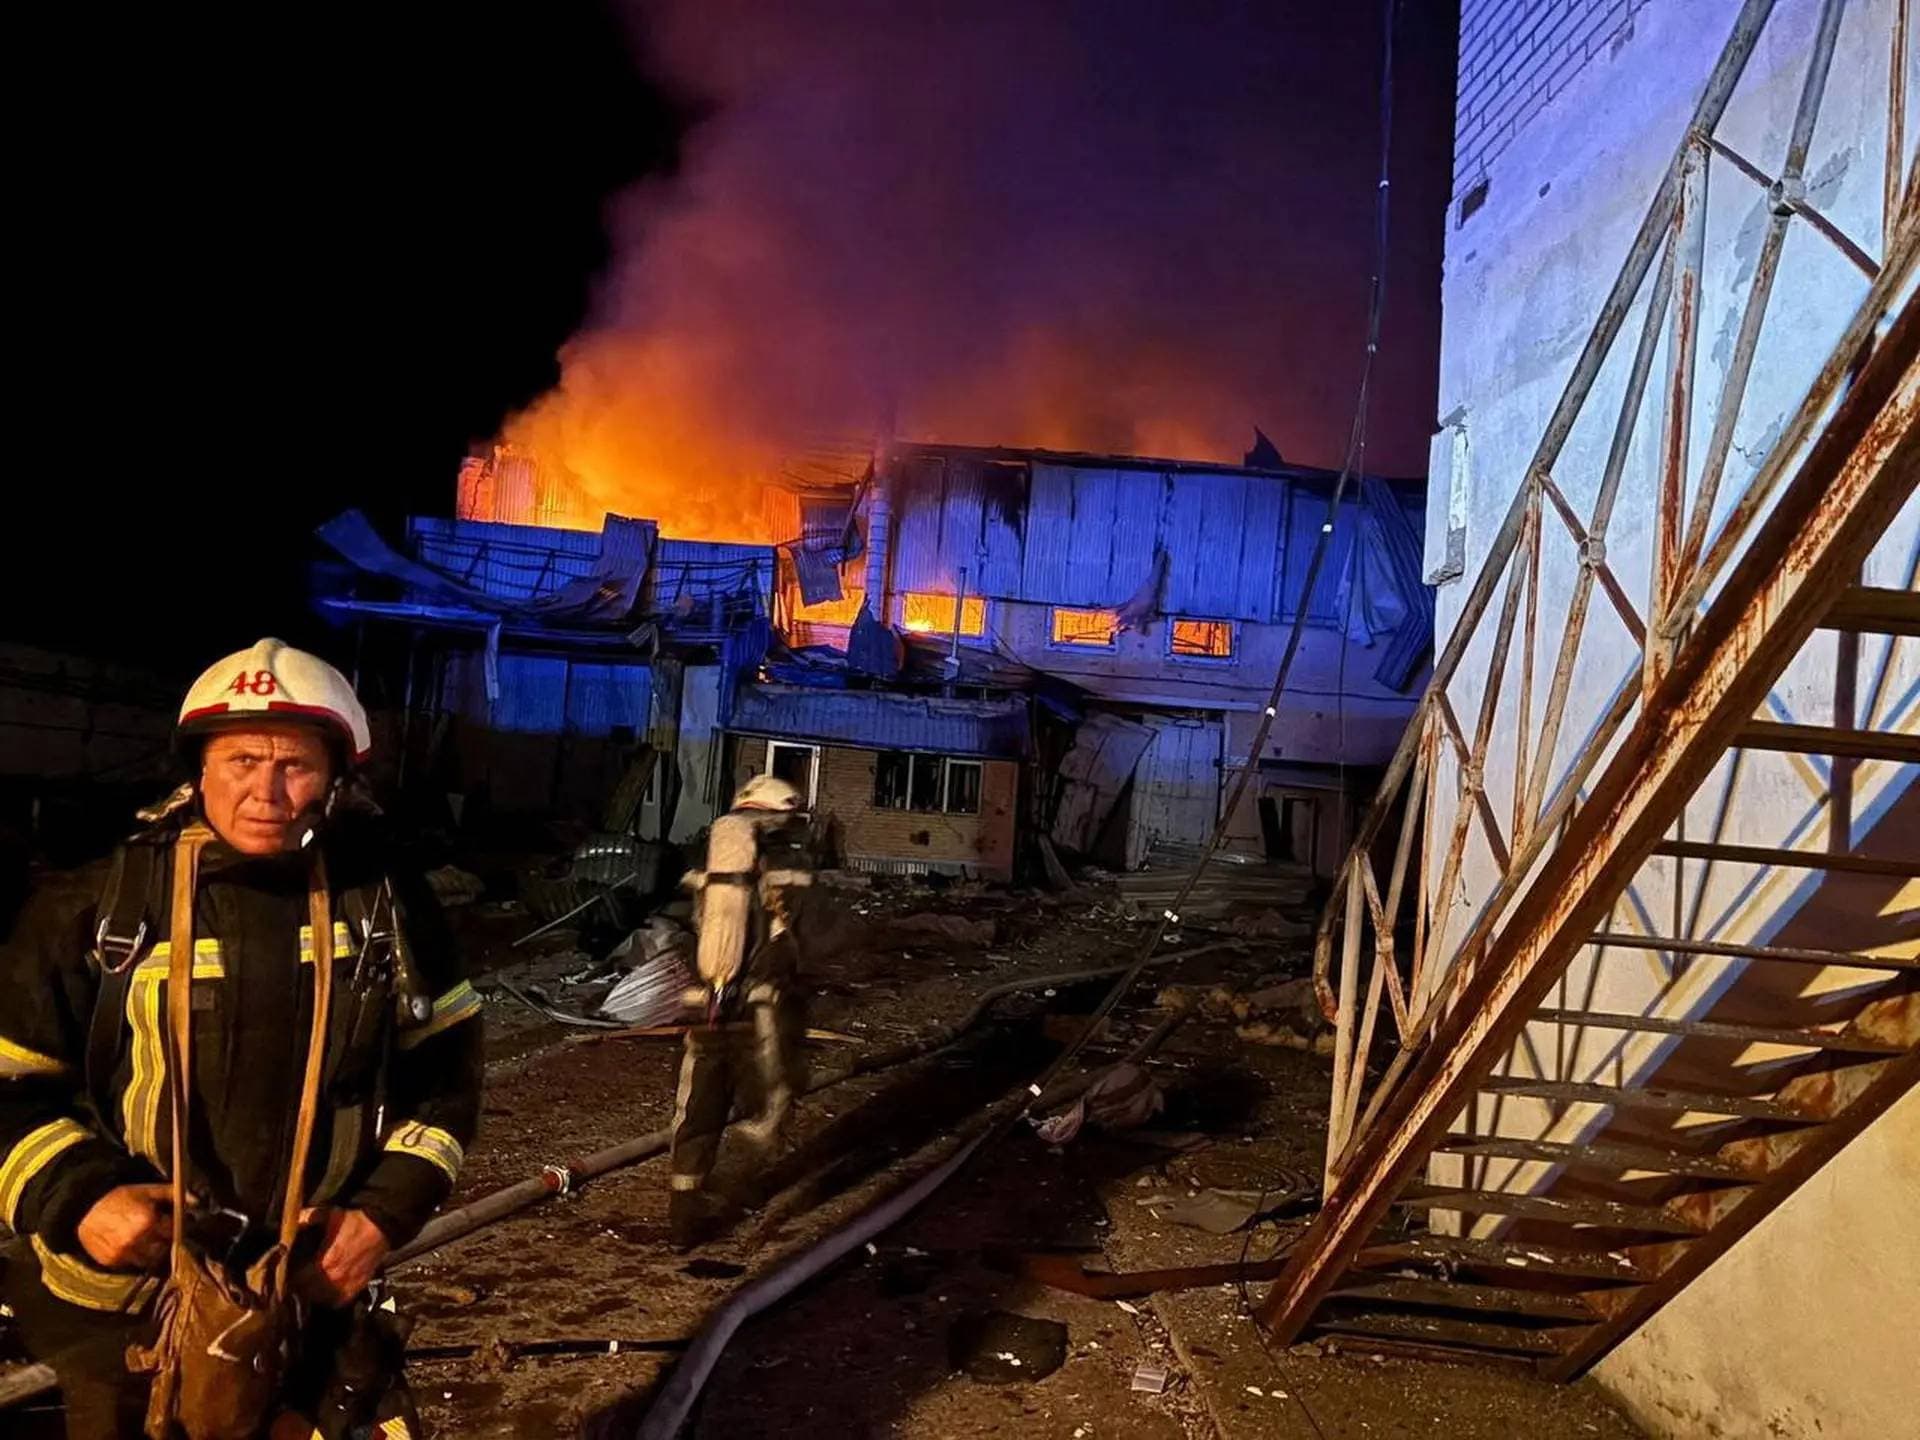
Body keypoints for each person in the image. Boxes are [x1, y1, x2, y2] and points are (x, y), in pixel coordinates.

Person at [0, 639, 483, 1439]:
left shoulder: (386, 906)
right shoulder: (96, 909)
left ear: (336, 778)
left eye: (294, 764)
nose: (267, 792)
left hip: (314, 1292)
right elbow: (8, 1088)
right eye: (242, 760)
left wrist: (383, 1214)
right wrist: (79, 1197)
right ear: (200, 769)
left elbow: (448, 1073)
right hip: (127, 1313)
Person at [666, 774, 816, 1249]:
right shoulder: (785, 864)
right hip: (761, 1009)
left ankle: (684, 1214)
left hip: (707, 1002)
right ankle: (751, 1188)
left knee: (697, 1106)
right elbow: (806, 936)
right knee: (774, 1094)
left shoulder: (705, 862)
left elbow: (681, 927)